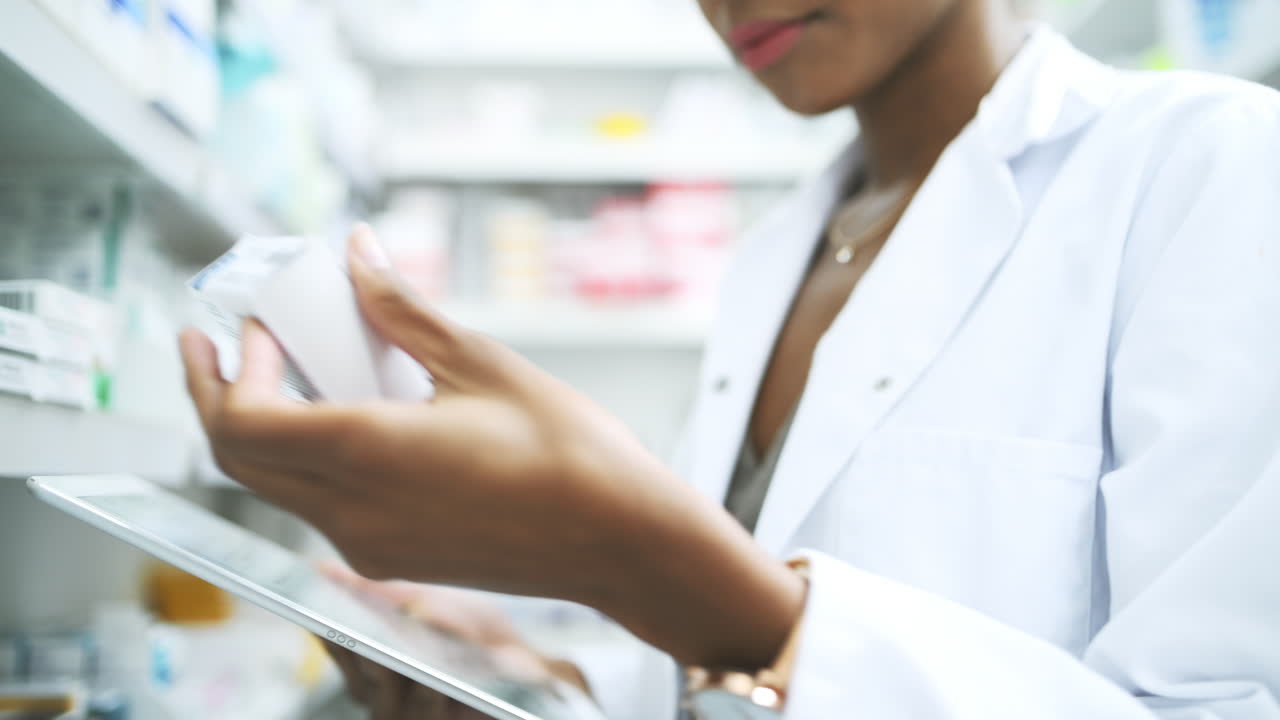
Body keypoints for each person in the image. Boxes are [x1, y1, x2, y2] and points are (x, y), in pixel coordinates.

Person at [179, 0, 1280, 717]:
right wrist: (540, 681)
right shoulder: (774, 258)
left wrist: (641, 556)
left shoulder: (1210, 168)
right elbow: (719, 684)